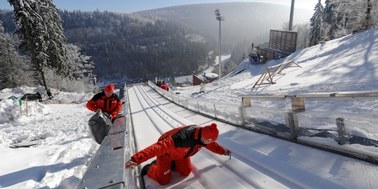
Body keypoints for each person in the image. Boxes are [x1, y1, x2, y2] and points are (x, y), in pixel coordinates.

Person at [125, 123, 231, 185]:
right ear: (205, 137)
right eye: (209, 141)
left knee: (186, 171)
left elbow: (213, 146)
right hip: (166, 154)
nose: (210, 143)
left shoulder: (204, 138)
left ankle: (173, 165)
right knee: (163, 181)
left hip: (181, 155)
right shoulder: (182, 138)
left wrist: (224, 151)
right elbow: (157, 148)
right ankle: (151, 168)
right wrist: (136, 159)